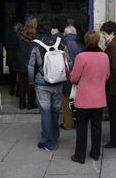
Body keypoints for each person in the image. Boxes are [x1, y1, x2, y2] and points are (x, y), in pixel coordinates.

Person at [70, 31, 110, 164]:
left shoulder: (81, 57)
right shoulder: (104, 56)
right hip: (99, 98)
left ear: (86, 41)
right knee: (96, 126)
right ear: (98, 41)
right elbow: (107, 76)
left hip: (84, 99)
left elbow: (74, 78)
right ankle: (95, 153)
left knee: (81, 127)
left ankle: (80, 155)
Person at [28, 17, 67, 151]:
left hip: (42, 82)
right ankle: (55, 137)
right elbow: (69, 62)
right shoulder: (60, 42)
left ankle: (47, 141)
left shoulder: (35, 44)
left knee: (45, 112)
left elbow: (31, 66)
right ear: (52, 28)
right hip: (58, 82)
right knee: (55, 111)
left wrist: (31, 81)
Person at [60, 25, 83, 130]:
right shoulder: (80, 45)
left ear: (65, 34)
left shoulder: (63, 44)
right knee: (77, 101)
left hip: (67, 77)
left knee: (65, 101)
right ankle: (79, 122)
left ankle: (68, 124)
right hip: (79, 77)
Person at [16, 17, 37, 109]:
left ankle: (21, 104)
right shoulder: (36, 36)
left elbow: (15, 50)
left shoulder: (19, 35)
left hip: (21, 62)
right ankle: (30, 103)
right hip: (31, 62)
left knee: (21, 84)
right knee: (31, 84)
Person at [6, 22, 22, 96]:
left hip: (10, 58)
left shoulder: (8, 35)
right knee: (19, 76)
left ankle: (11, 90)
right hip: (18, 59)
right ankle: (18, 91)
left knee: (12, 76)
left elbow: (6, 46)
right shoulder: (20, 36)